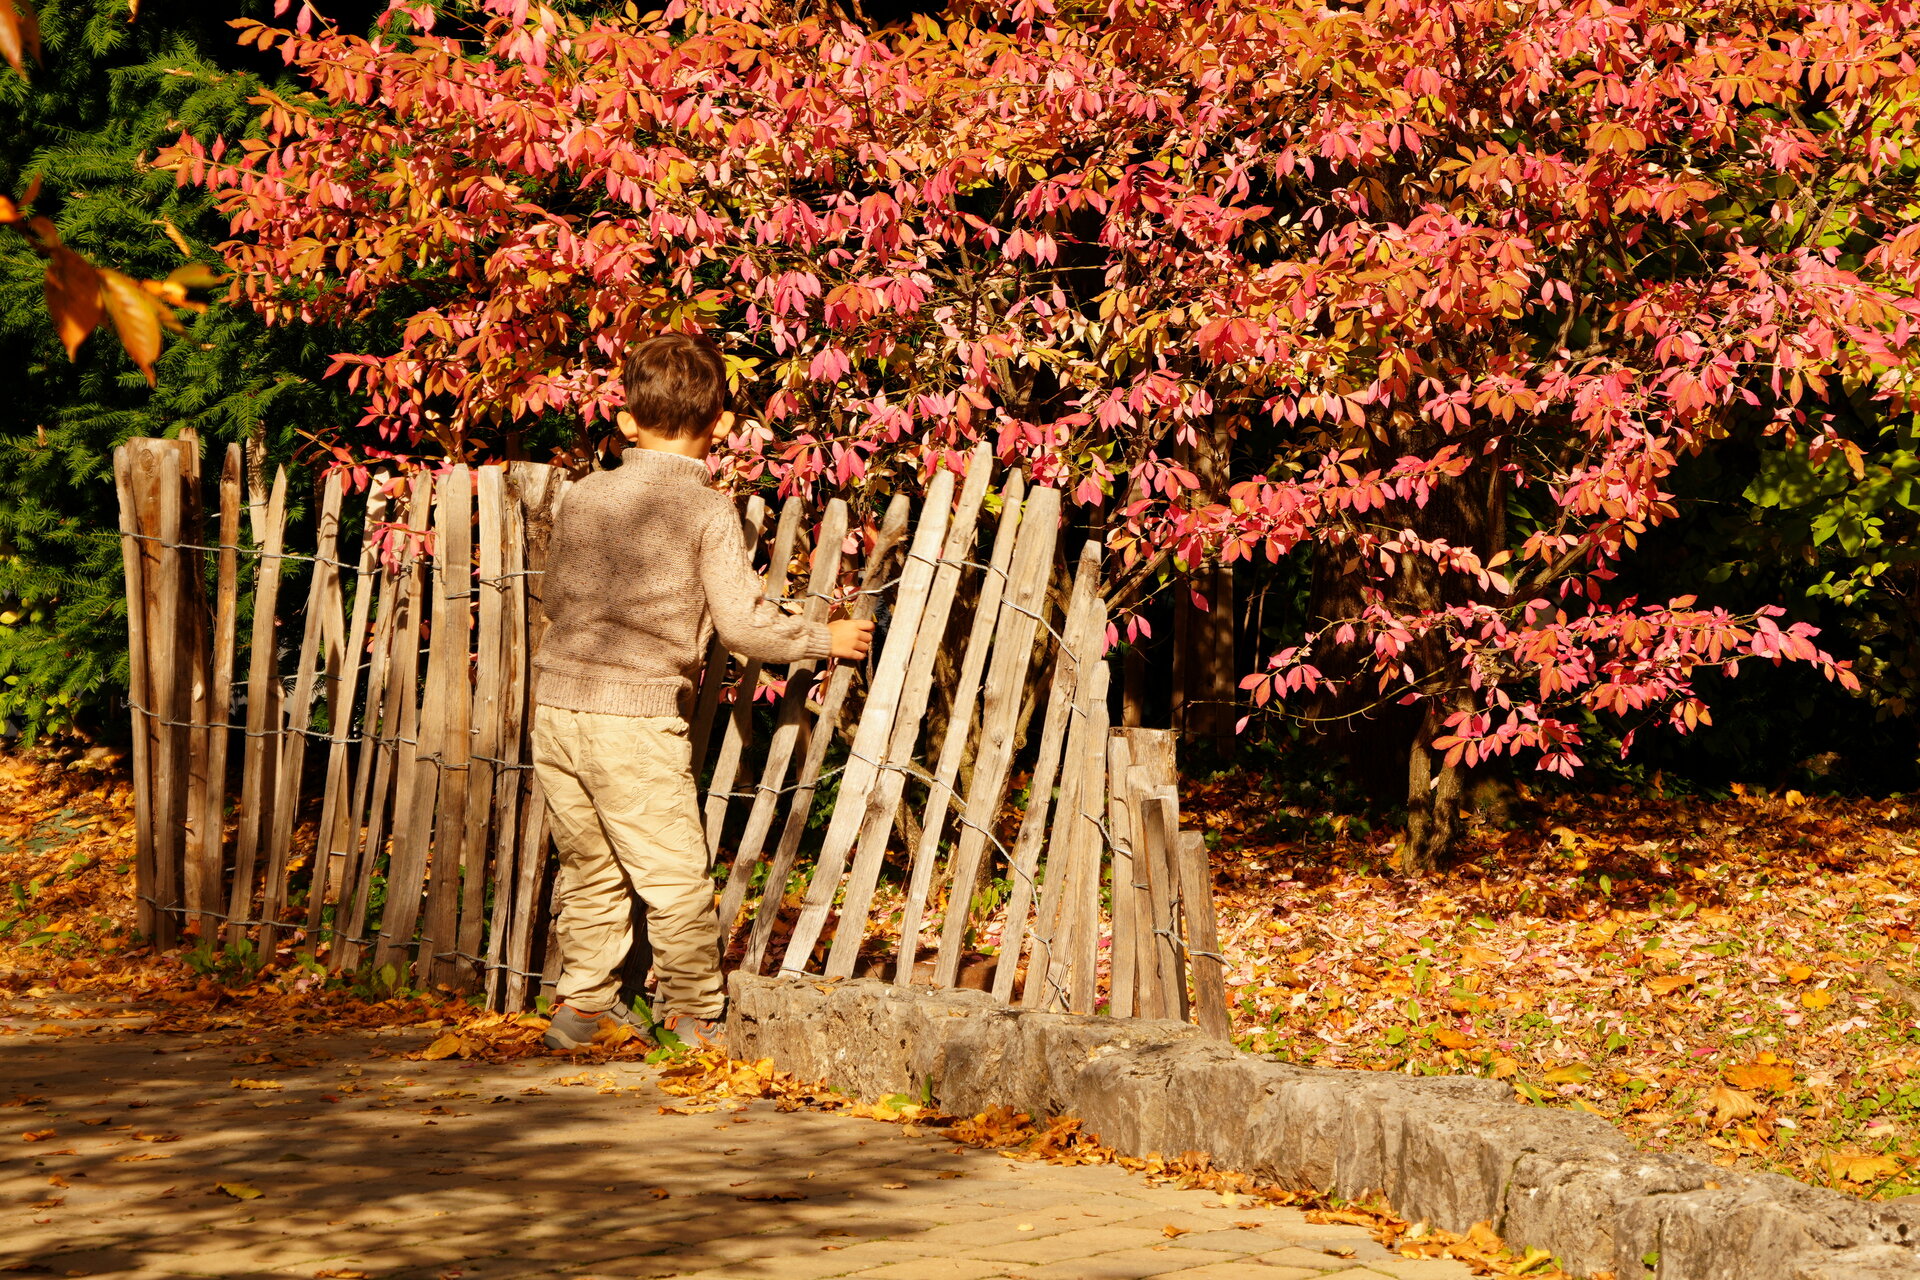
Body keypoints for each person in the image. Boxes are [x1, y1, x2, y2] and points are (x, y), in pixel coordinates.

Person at [531, 332, 874, 1053]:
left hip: (557, 707)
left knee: (590, 867)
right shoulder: (707, 509)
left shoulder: (583, 495)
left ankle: (582, 1008)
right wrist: (822, 638)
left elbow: (556, 594)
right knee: (675, 876)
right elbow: (743, 625)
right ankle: (693, 1017)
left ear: (627, 420)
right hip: (635, 716)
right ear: (720, 425)